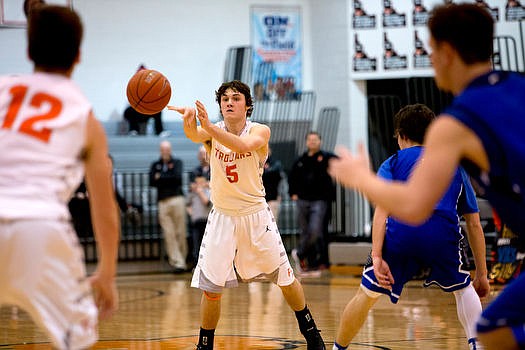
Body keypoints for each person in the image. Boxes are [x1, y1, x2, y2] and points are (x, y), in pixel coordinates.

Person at [328, 4, 525, 350]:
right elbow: (473, 221)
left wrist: (359, 177)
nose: (429, 58)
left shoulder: (457, 123)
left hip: (404, 238)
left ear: (447, 53)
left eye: (431, 50)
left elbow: (414, 205)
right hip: (447, 241)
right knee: (492, 329)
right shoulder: (517, 87)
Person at [169, 80, 325, 350]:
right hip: (222, 217)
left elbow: (242, 147)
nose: (229, 102)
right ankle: (204, 345)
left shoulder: (260, 131)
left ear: (247, 105)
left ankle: (310, 330)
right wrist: (189, 120)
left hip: (255, 215)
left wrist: (206, 128)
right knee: (211, 288)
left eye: (236, 98)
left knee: (285, 278)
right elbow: (194, 135)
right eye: (225, 99)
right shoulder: (212, 131)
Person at [0, 5, 119, 349]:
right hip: (40, 226)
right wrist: (107, 272)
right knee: (78, 342)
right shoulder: (84, 116)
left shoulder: (4, 90)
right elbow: (104, 208)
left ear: (27, 50)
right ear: (79, 55)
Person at [332, 104, 490, 350]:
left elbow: (381, 211)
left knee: (367, 293)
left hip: (401, 234)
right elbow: (473, 223)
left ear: (402, 136)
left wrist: (376, 255)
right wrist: (481, 274)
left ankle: (337, 348)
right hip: (442, 234)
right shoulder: (454, 164)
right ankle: (477, 345)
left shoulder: (393, 161)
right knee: (463, 288)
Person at [289, 131, 337, 274]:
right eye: (310, 140)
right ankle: (306, 263)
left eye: (315, 140)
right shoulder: (300, 160)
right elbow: (292, 178)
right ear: (306, 142)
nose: (313, 142)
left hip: (320, 200)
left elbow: (340, 162)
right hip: (302, 200)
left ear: (320, 141)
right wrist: (293, 194)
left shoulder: (327, 157)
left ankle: (299, 253)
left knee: (315, 231)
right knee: (305, 232)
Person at [149, 140, 187, 273]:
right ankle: (178, 263)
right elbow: (152, 182)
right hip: (163, 202)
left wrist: (161, 177)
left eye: (167, 149)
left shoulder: (177, 162)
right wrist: (165, 177)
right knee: (168, 233)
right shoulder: (155, 164)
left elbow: (177, 178)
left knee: (180, 231)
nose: (165, 152)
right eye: (163, 149)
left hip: (177, 199)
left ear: (170, 150)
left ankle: (182, 258)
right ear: (160, 151)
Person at [124, 64, 165, 136]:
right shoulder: (133, 86)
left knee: (158, 110)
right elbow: (129, 103)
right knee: (130, 110)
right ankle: (133, 130)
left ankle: (159, 131)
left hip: (146, 113)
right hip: (136, 113)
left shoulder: (151, 87)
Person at [187, 175, 211, 265]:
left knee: (208, 244)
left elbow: (206, 202)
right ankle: (197, 264)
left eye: (202, 182)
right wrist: (191, 213)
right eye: (197, 183)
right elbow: (187, 204)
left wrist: (200, 192)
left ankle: (208, 265)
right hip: (196, 222)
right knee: (196, 244)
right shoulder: (192, 194)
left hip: (207, 222)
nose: (199, 185)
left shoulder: (209, 192)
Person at [263, 146, 284, 222]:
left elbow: (281, 181)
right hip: (258, 199)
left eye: (266, 148)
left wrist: (280, 195)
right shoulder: (254, 163)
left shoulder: (276, 163)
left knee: (272, 223)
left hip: (273, 198)